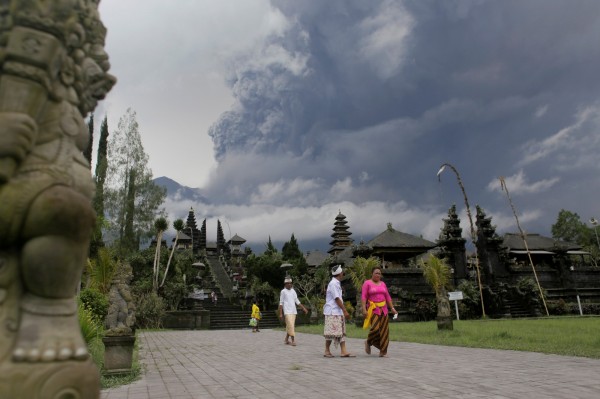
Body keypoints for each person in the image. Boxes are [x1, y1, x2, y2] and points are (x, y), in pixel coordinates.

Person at [362, 267, 398, 357]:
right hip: (373, 309)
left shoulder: (383, 284)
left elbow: (388, 297)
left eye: (379, 273)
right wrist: (364, 309)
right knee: (375, 329)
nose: (378, 275)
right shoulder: (367, 283)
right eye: (376, 273)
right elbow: (364, 297)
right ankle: (368, 341)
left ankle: (383, 351)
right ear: (372, 274)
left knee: (384, 331)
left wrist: (392, 308)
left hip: (384, 310)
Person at [323, 265, 354, 357]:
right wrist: (345, 310)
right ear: (340, 273)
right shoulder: (333, 284)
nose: (343, 274)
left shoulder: (336, 283)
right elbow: (336, 298)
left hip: (337, 311)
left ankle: (343, 351)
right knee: (331, 332)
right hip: (332, 311)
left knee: (340, 331)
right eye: (342, 272)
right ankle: (327, 350)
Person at [278, 277, 308, 346]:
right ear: (285, 284)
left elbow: (297, 301)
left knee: (290, 326)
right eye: (287, 283)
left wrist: (303, 308)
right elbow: (281, 303)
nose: (289, 284)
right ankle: (293, 340)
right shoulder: (283, 291)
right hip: (287, 312)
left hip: (293, 311)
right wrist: (280, 313)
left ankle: (286, 339)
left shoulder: (293, 291)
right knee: (291, 326)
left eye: (290, 283)